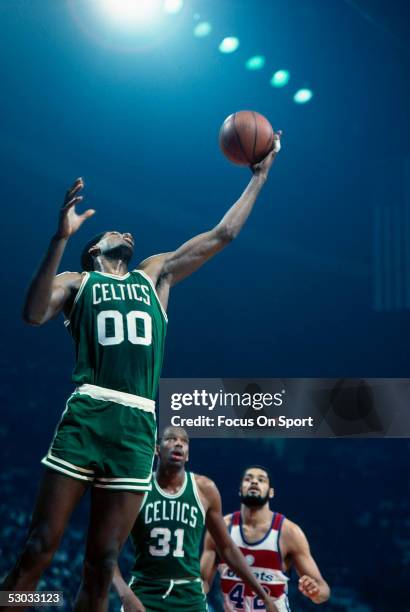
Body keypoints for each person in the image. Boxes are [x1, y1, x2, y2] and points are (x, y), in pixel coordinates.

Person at [1, 135, 281, 612]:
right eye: (113, 232)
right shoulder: (77, 280)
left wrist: (259, 178)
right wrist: (59, 239)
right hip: (89, 414)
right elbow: (31, 313)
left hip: (137, 426)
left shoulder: (155, 274)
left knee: (102, 561)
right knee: (38, 549)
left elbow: (221, 236)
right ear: (94, 250)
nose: (126, 232)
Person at [113, 427, 279, 612]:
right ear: (157, 449)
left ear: (187, 456)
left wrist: (264, 596)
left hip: (189, 594)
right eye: (170, 439)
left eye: (184, 442)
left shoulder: (205, 489)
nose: (178, 443)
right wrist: (125, 594)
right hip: (145, 591)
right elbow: (108, 551)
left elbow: (227, 548)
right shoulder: (138, 490)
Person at [201, 465, 330, 611]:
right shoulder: (220, 529)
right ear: (240, 489)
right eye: (248, 479)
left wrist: (315, 591)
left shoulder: (289, 533)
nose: (254, 482)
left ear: (271, 492)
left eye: (261, 480)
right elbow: (203, 584)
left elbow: (324, 590)